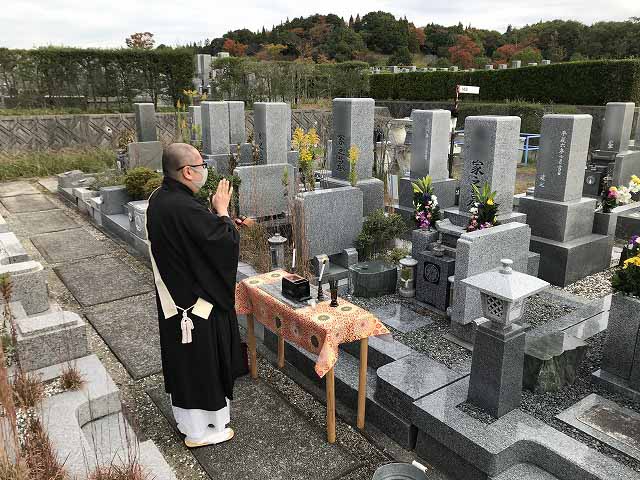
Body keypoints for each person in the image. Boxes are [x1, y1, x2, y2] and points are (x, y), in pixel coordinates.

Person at [146, 143, 248, 448]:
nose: (205, 171)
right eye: (201, 166)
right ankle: (208, 429)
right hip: (196, 307)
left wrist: (216, 219)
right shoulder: (184, 207)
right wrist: (222, 212)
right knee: (203, 366)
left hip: (173, 302)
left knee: (185, 366)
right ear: (187, 171)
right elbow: (222, 244)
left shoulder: (160, 199)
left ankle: (188, 423)